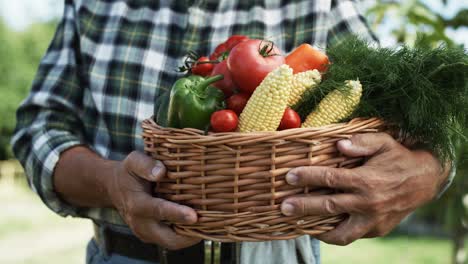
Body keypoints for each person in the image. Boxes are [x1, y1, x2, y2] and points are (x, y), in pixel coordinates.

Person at [12, 0, 454, 263]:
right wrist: (112, 185)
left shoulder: (320, 3)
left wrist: (428, 170)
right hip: (125, 256)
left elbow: (410, 116)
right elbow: (39, 128)